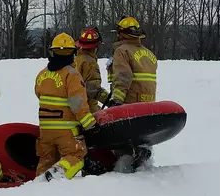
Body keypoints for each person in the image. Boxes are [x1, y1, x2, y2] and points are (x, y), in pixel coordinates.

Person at [35, 33, 98, 181]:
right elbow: (78, 104)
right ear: (73, 52)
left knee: (46, 160)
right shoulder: (72, 75)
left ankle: (38, 185)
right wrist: (91, 125)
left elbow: (38, 94)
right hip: (66, 130)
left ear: (53, 51)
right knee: (76, 155)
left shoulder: (42, 74)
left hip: (44, 130)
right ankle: (58, 174)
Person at [106, 16, 158, 106]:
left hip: (130, 104)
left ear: (121, 33)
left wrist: (117, 100)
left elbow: (123, 77)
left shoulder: (122, 51)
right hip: (149, 104)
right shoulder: (149, 53)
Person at [74, 27, 110, 113]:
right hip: (87, 109)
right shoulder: (90, 63)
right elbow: (93, 89)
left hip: (75, 106)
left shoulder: (76, 59)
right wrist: (111, 101)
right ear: (95, 47)